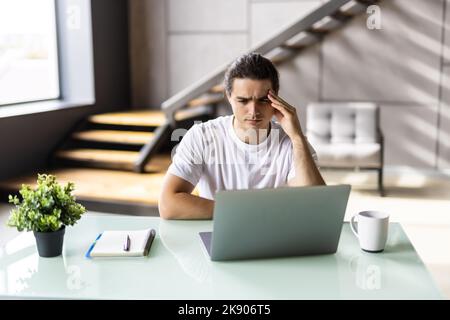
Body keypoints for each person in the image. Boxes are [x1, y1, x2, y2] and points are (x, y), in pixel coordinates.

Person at [159, 52, 325, 219]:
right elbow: (168, 204)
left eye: (263, 100)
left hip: (275, 237)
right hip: (219, 235)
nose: (253, 112)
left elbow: (317, 207)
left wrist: (296, 137)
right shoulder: (202, 136)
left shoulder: (294, 143)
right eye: (243, 101)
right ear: (229, 97)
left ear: (277, 98)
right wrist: (244, 213)